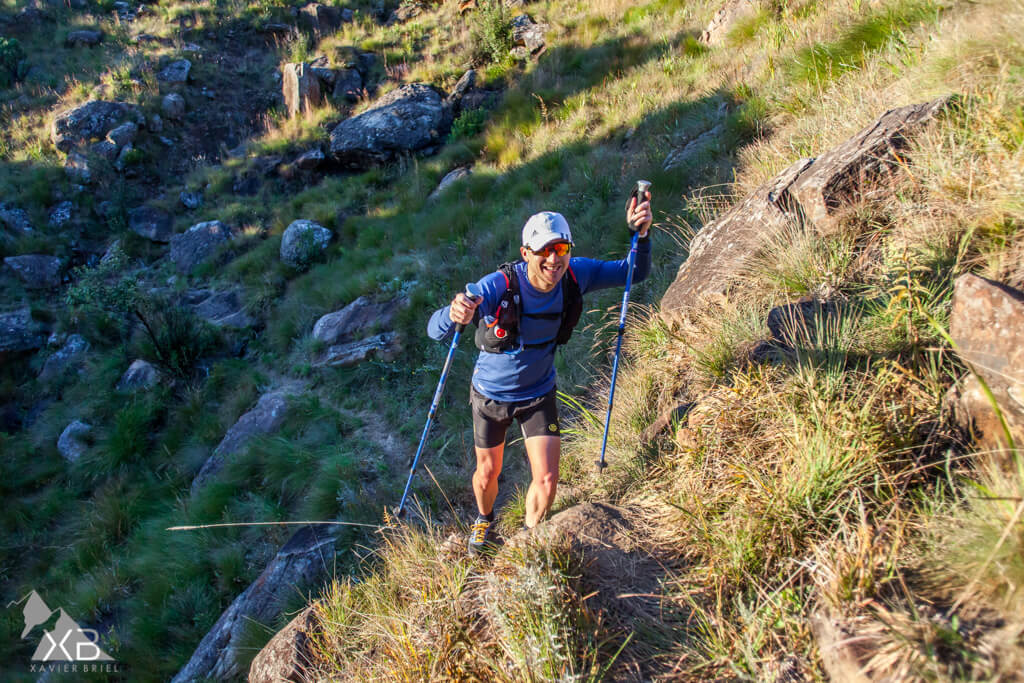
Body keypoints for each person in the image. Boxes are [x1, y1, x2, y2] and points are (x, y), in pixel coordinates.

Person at [427, 190, 653, 556]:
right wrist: (453, 313)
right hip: (490, 396)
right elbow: (434, 329)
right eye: (544, 250)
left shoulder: (576, 274)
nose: (553, 258)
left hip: (538, 394)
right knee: (488, 474)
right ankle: (484, 519)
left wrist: (641, 235)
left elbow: (633, 272)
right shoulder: (498, 285)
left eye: (561, 249)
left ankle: (529, 544)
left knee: (547, 480)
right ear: (525, 254)